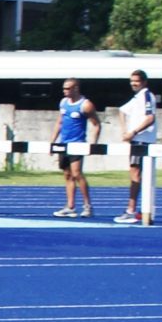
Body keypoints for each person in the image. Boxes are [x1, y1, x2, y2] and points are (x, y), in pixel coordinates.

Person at [114, 68, 159, 223]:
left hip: (142, 140)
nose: (133, 84)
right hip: (135, 139)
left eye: (137, 81)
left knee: (136, 175)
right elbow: (121, 111)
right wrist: (124, 130)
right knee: (137, 174)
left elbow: (150, 118)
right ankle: (141, 210)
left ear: (144, 82)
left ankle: (132, 210)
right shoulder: (137, 98)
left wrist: (132, 132)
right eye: (132, 81)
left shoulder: (146, 95)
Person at [52, 78, 96, 218]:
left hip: (77, 144)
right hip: (64, 143)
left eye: (68, 88)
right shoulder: (63, 103)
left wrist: (92, 144)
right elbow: (60, 122)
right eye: (64, 89)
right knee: (67, 175)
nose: (65, 91)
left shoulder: (86, 105)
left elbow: (96, 124)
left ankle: (87, 206)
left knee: (77, 174)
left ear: (76, 88)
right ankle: (70, 206)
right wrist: (52, 141)